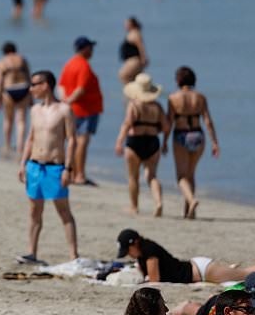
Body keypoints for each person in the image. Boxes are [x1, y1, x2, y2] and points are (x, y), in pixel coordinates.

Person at [17, 70, 78, 264]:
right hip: (35, 166)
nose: (31, 88)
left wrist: (69, 168)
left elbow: (73, 141)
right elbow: (31, 138)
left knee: (63, 211)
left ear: (46, 85)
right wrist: (22, 163)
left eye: (35, 84)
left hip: (55, 167)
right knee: (34, 212)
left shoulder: (64, 110)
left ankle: (73, 255)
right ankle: (32, 253)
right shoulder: (34, 110)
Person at [116, 229, 255, 283]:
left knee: (249, 274)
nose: (129, 255)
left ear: (135, 244)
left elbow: (155, 279)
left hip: (202, 271)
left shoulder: (149, 252)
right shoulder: (143, 252)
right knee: (245, 272)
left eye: (128, 250)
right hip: (199, 267)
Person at [114, 73, 170, 216]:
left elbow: (127, 124)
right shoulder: (157, 107)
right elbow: (166, 127)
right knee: (152, 176)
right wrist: (164, 143)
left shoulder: (134, 105)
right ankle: (158, 202)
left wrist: (119, 142)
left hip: (135, 142)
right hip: (152, 142)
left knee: (133, 176)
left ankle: (134, 206)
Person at [168, 66, 219, 219]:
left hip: (181, 135)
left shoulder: (173, 98)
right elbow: (208, 121)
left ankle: (191, 200)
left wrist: (164, 142)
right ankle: (190, 212)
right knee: (191, 174)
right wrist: (214, 142)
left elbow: (169, 122)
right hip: (198, 135)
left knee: (181, 177)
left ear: (178, 80)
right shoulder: (200, 97)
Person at [60, 36, 102, 186]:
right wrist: (69, 102)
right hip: (85, 110)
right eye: (91, 48)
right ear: (84, 49)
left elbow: (61, 86)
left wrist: (65, 102)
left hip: (75, 109)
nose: (92, 51)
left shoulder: (69, 63)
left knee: (74, 141)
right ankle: (79, 174)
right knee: (81, 142)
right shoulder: (83, 65)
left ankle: (72, 172)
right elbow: (81, 89)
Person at [0, 41, 32, 155]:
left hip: (9, 90)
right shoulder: (22, 59)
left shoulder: (2, 61)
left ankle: (7, 144)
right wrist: (31, 96)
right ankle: (20, 146)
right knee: (21, 120)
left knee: (8, 119)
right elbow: (29, 77)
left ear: (4, 51)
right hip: (23, 88)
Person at [118, 17, 147, 85]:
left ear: (132, 24)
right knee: (135, 80)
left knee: (123, 75)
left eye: (127, 23)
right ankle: (134, 94)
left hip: (134, 60)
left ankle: (130, 92)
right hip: (130, 60)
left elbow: (141, 47)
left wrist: (143, 58)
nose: (125, 25)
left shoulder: (135, 33)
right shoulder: (132, 33)